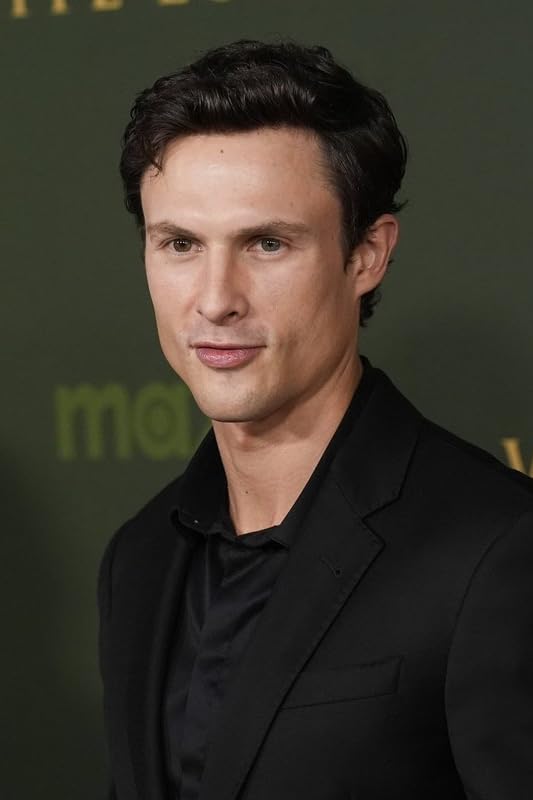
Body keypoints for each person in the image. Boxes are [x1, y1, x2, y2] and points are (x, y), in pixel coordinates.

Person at [98, 39, 533, 800]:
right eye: (180, 244)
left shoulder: (495, 549)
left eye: (267, 243)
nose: (215, 299)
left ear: (366, 255)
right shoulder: (138, 558)